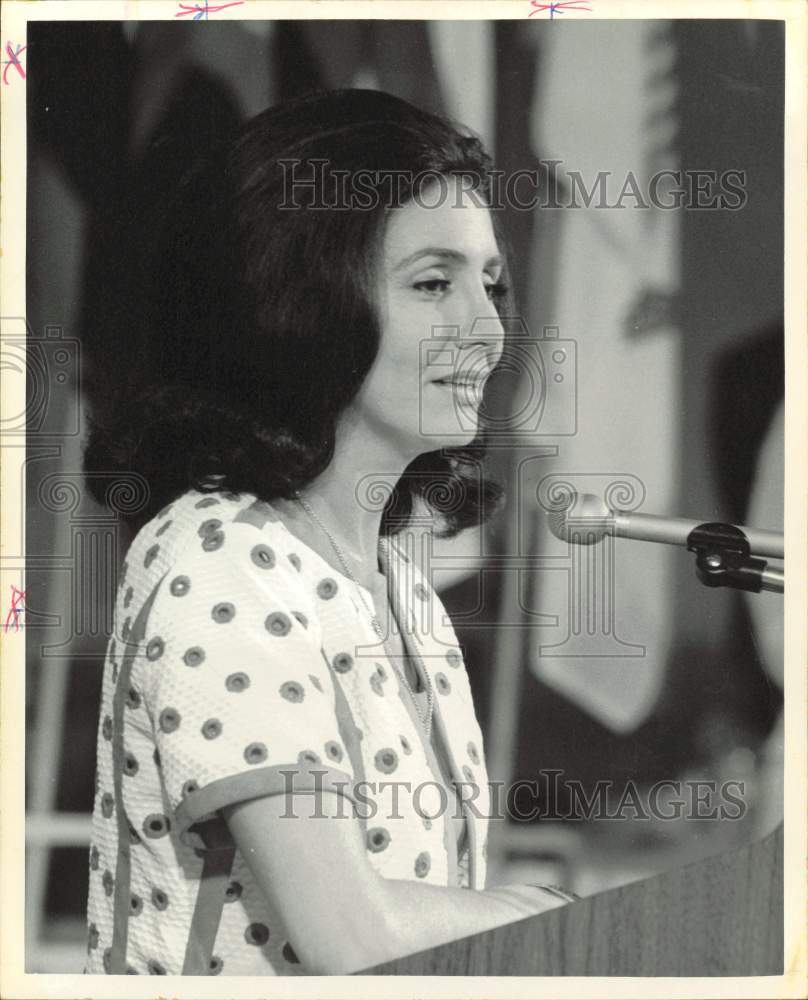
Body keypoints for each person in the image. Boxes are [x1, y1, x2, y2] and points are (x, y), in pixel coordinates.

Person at [83, 88, 574, 977]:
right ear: (303, 303)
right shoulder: (218, 562)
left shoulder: (399, 582)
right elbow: (355, 933)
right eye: (434, 284)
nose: (489, 330)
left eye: (491, 284)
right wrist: (569, 917)